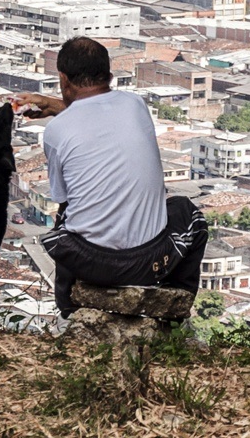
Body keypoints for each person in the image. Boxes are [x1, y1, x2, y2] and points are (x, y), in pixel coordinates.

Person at [14, 37, 207, 317]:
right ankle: (174, 310)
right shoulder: (136, 105)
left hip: (90, 263)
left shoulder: (56, 132)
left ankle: (69, 310)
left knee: (66, 214)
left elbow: (63, 197)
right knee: (190, 215)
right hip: (152, 262)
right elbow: (104, 111)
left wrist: (58, 107)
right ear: (110, 76)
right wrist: (58, 105)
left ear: (63, 79)